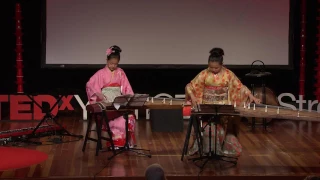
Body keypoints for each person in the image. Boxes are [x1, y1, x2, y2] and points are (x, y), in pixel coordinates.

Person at [185, 47, 261, 157]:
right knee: (206, 126)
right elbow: (190, 86)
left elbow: (240, 87)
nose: (213, 70)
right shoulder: (204, 74)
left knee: (222, 126)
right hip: (207, 105)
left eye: (216, 68)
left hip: (223, 106)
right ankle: (204, 148)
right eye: (211, 67)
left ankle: (220, 148)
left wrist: (251, 96)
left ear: (222, 64)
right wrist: (192, 96)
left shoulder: (228, 74)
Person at [86, 45, 136, 148]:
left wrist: (128, 98)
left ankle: (127, 142)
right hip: (107, 103)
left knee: (129, 116)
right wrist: (99, 95)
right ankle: (115, 142)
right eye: (111, 63)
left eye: (115, 64)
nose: (113, 66)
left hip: (117, 101)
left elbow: (127, 88)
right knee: (116, 118)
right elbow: (90, 85)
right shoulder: (100, 73)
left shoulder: (121, 72)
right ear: (106, 60)